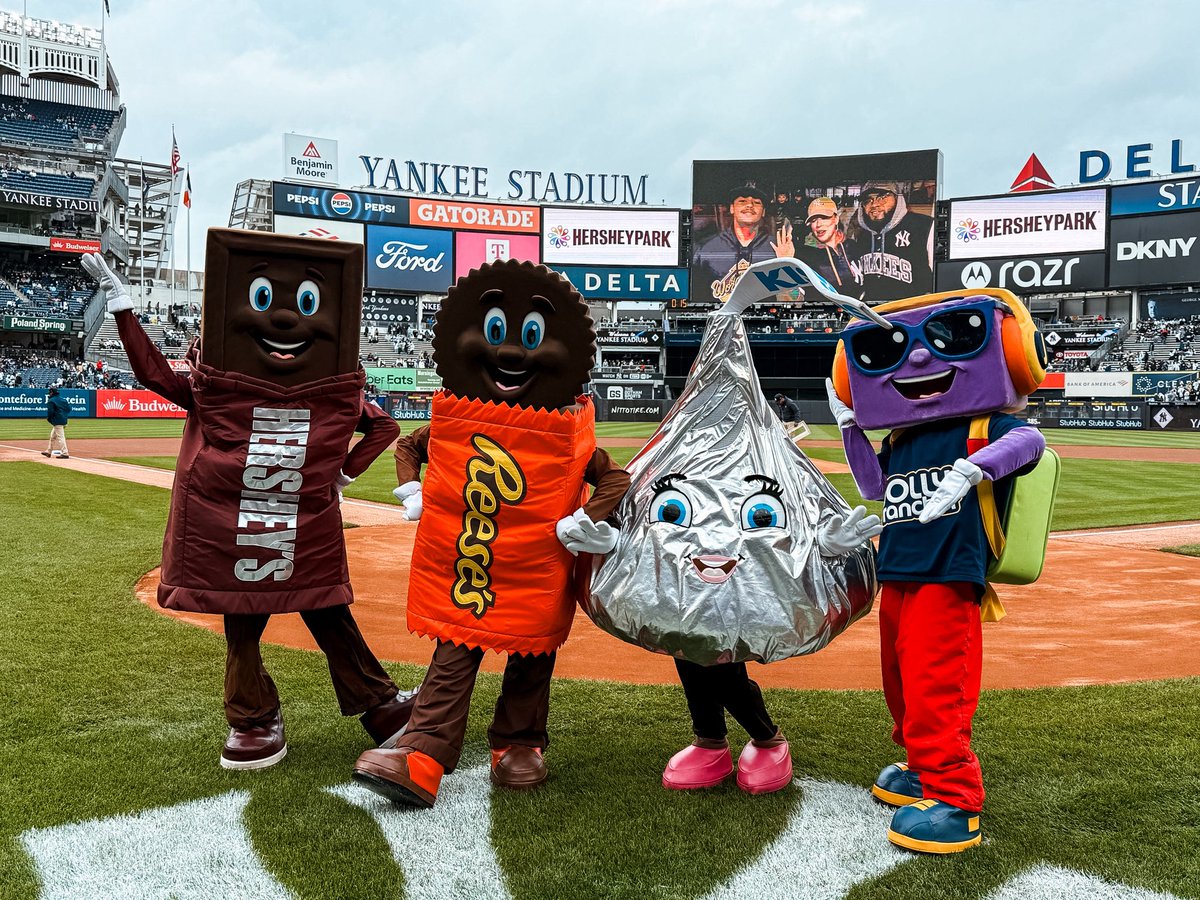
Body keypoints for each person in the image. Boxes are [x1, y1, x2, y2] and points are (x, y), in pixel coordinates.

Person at [828, 289, 1048, 854]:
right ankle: (922, 769)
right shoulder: (903, 435)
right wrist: (852, 427)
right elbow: (876, 487)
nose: (921, 360)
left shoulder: (981, 424)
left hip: (948, 575)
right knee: (900, 684)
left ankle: (956, 798)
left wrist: (973, 469)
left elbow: (1031, 440)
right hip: (898, 572)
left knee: (936, 687)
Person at [692, 184, 791, 304]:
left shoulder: (778, 247)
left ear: (763, 212)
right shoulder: (707, 248)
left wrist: (788, 264)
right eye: (742, 201)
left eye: (757, 202)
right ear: (732, 208)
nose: (749, 205)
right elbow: (694, 297)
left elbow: (793, 302)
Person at [847, 181, 934, 303]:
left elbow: (939, 277)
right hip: (874, 313)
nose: (874, 204)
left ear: (898, 198)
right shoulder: (862, 235)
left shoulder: (923, 225)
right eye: (868, 200)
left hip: (914, 312)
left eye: (882, 197)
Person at [798, 197, 863, 295]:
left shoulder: (852, 247)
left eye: (824, 218)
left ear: (836, 219)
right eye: (814, 220)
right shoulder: (806, 255)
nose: (818, 224)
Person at [42, 387, 70, 459]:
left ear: (52, 393)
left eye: (50, 392)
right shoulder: (63, 400)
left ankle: (65, 453)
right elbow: (69, 409)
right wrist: (63, 415)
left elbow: (50, 412)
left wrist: (50, 419)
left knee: (60, 437)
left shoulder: (51, 401)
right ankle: (48, 451)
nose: (49, 394)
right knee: (52, 436)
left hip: (57, 421)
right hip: (64, 420)